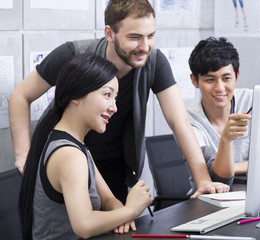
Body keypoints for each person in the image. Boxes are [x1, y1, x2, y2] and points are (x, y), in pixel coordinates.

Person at [9, 0, 228, 202]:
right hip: (66, 162)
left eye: (150, 36)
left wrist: (203, 181)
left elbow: (179, 122)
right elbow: (20, 96)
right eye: (135, 37)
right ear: (110, 33)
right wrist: (23, 155)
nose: (145, 46)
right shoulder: (73, 54)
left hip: (114, 167)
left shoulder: (154, 62)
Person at [19, 53, 152, 240]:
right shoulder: (69, 155)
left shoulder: (77, 146)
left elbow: (107, 199)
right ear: (76, 94)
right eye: (107, 95)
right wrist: (131, 210)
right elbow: (84, 225)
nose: (114, 107)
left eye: (115, 97)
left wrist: (121, 213)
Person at [187, 37, 253, 186]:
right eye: (210, 80)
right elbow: (218, 179)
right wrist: (226, 140)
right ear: (194, 81)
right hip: (210, 200)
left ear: (237, 76)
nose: (220, 88)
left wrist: (234, 168)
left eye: (226, 78)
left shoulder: (253, 101)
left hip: (254, 190)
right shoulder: (188, 122)